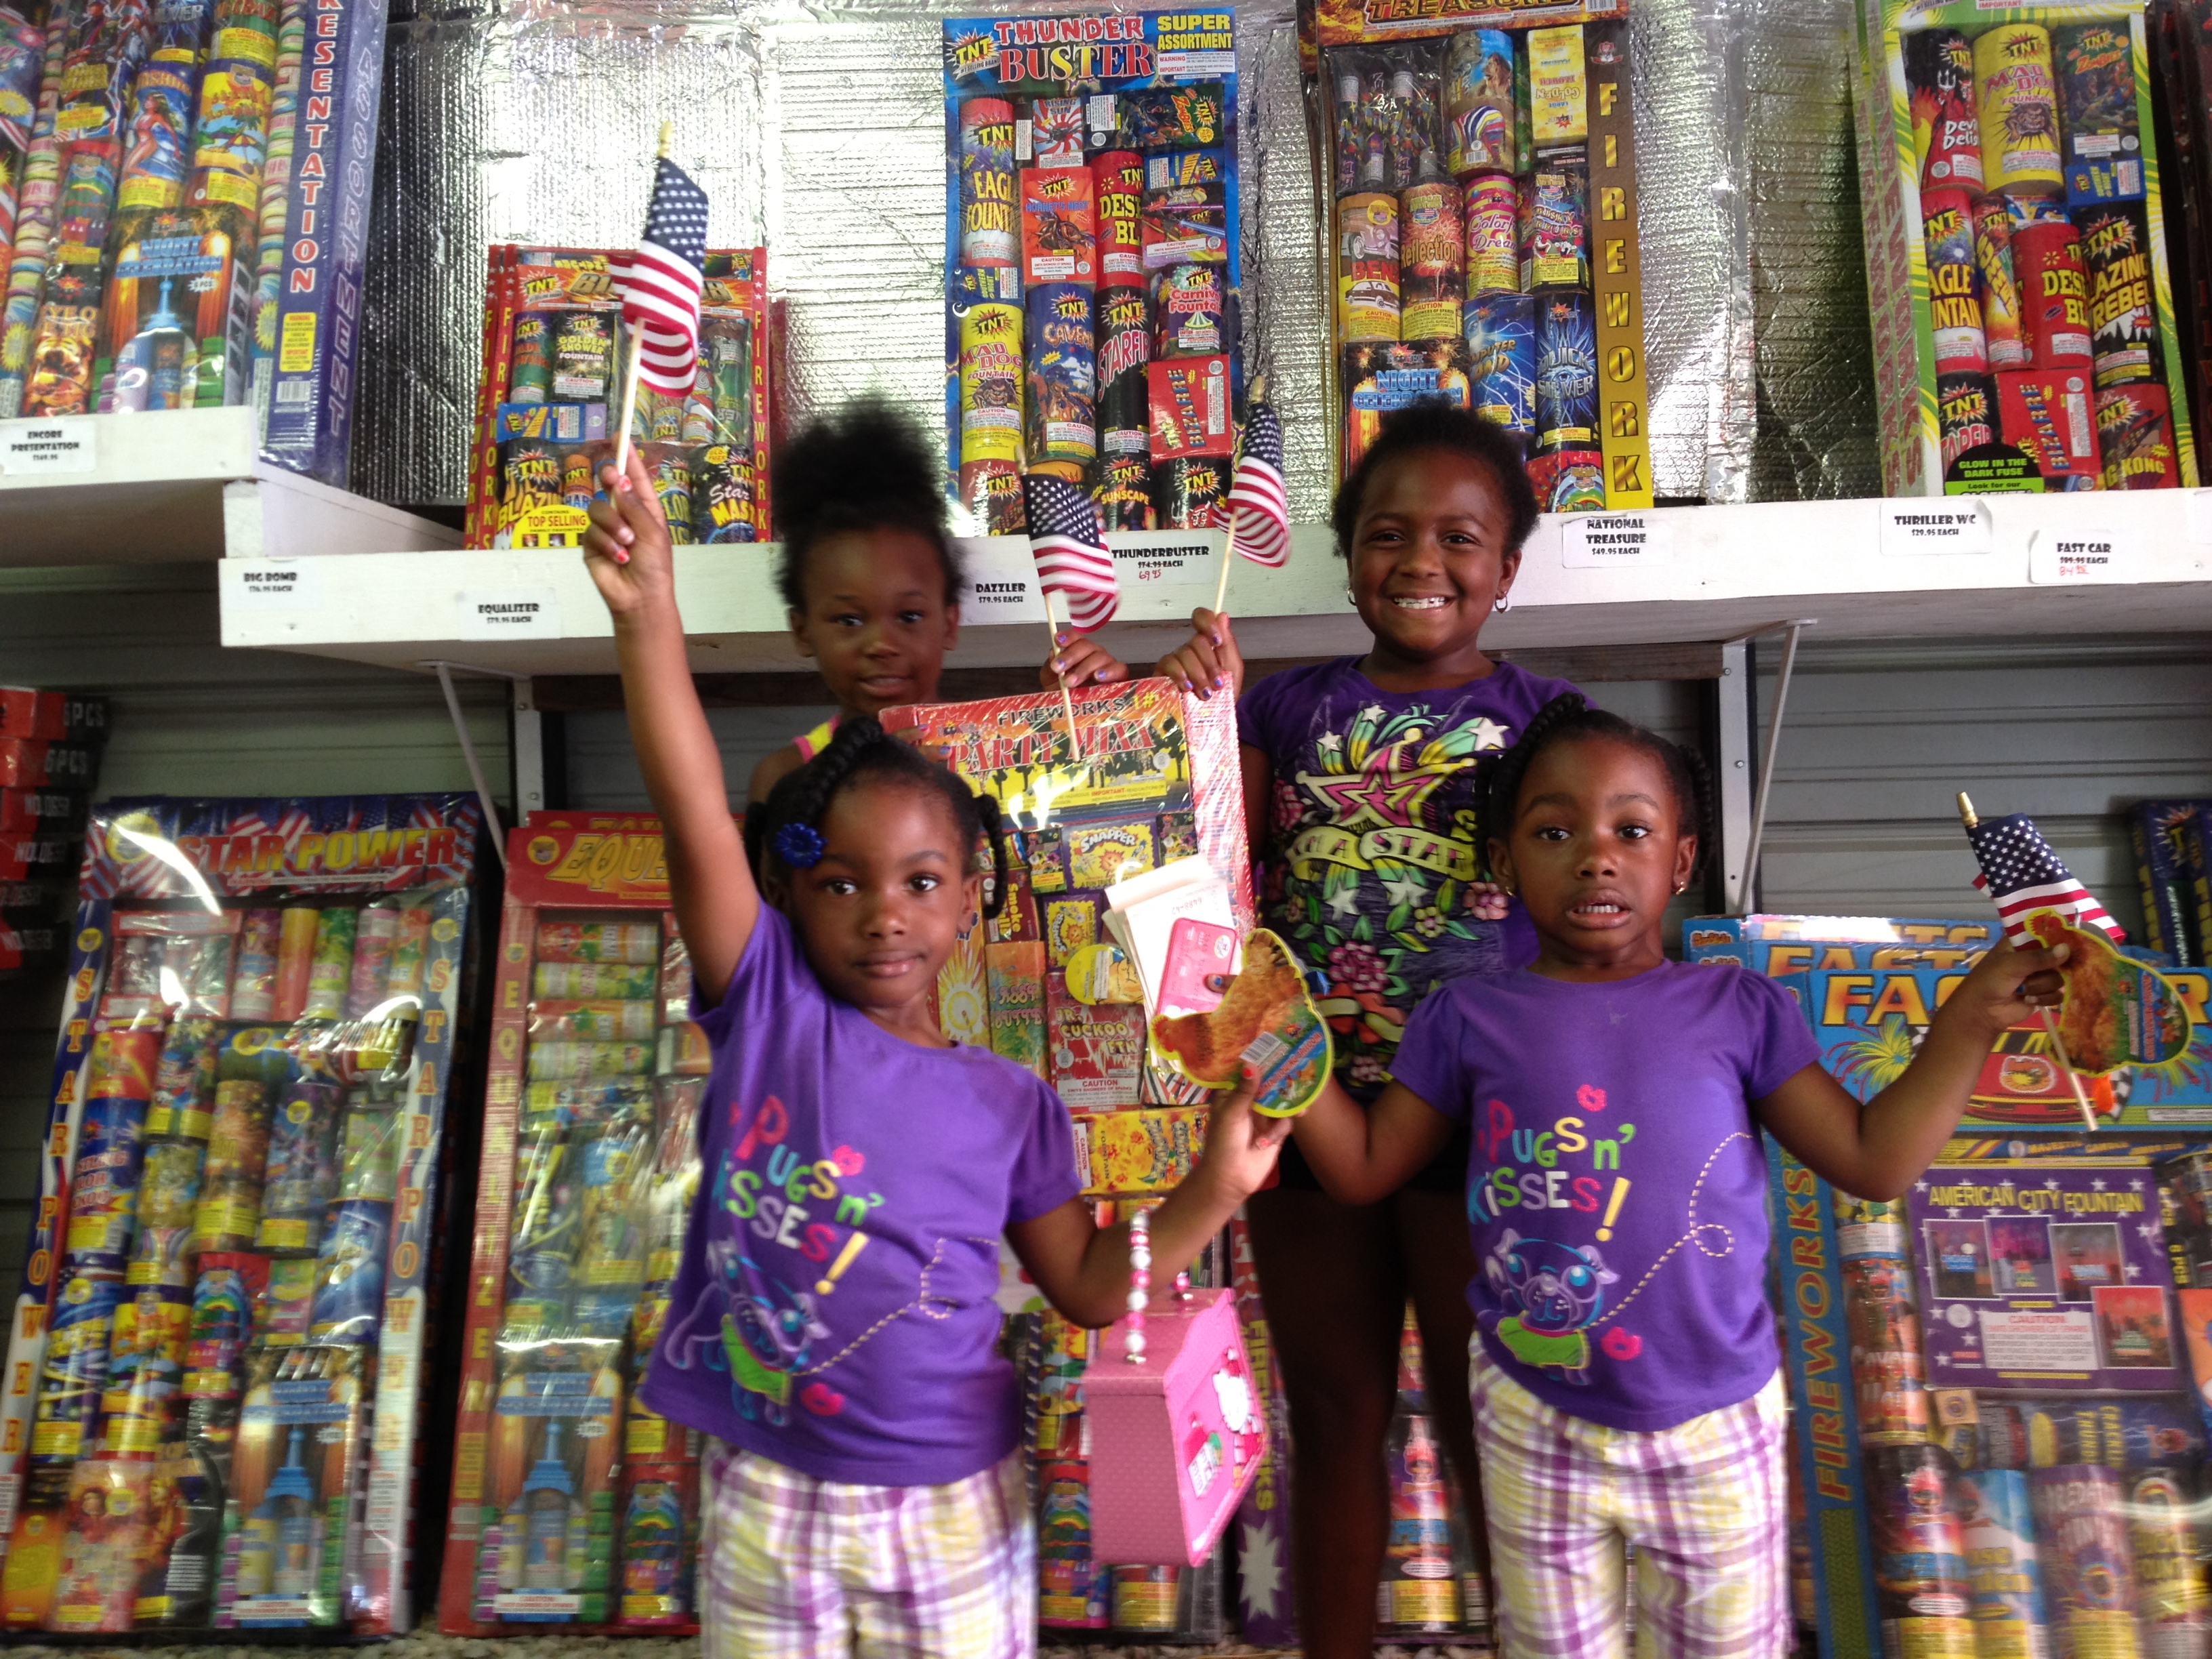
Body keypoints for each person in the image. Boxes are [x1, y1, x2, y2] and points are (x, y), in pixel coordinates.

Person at [583, 449, 1288, 1658]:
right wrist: (648, 609)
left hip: (958, 1506)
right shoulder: (765, 1015)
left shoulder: (1009, 1102)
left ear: (971, 896)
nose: (882, 914)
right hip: (766, 1495)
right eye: (842, 883)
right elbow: (693, 801)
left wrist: (1214, 1188)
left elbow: (1077, 1281)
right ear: (787, 889)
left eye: (918, 881)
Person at [1291, 695, 2066, 1657]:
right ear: (1503, 863)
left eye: (1632, 829)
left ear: (1683, 861)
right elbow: (1364, 1171)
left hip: (1716, 1425)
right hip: (1536, 1415)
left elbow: (1876, 1160)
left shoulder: (1738, 1007)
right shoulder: (1466, 1017)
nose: (1596, 854)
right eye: (1553, 830)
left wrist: (1968, 1021)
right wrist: (1275, 1050)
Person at [1046, 403, 1576, 1658]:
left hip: (1475, 1124)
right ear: (1341, 552)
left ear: (1505, 565)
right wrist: (1181, 711)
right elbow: (1198, 849)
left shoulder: (1553, 719)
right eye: (1386, 532)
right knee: (1332, 1413)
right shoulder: (1283, 710)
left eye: (1458, 537)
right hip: (1297, 1103)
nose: (1419, 561)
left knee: (1481, 1419)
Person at [747, 401, 964, 804]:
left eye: (910, 616)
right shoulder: (786, 779)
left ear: (950, 624)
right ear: (802, 630)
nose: (881, 644)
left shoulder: (998, 754)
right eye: (849, 620)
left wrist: (1098, 715)